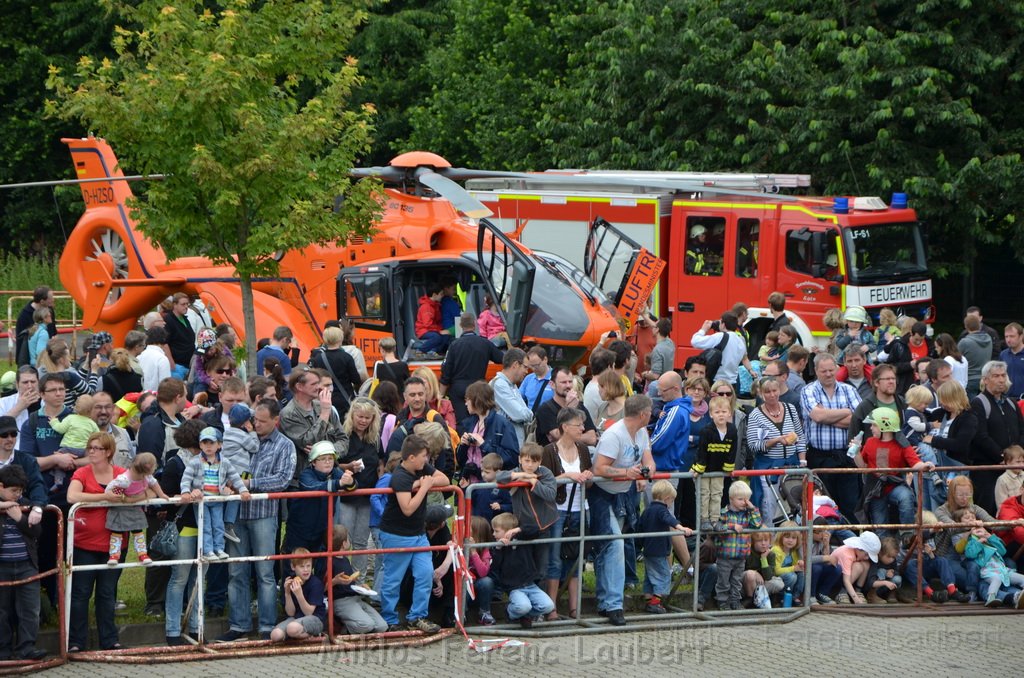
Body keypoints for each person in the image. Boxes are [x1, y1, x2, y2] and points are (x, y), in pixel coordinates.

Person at [218, 399, 296, 643]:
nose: (257, 425)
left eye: (262, 421)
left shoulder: (285, 445)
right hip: (236, 514)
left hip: (263, 514)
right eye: (255, 420)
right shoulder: (237, 437)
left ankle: (266, 625)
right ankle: (238, 626)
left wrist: (248, 484)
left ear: (276, 421)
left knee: (265, 572)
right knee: (236, 571)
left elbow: (282, 479)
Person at [591, 394, 656, 626]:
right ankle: (614, 604)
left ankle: (605, 601)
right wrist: (625, 473)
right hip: (602, 494)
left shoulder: (641, 433)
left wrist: (647, 471)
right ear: (643, 414)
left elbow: (649, 459)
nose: (651, 414)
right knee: (614, 545)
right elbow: (599, 468)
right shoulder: (614, 435)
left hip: (624, 493)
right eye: (650, 411)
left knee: (611, 547)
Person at [377, 434, 448, 634]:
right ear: (411, 458)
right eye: (424, 456)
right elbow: (407, 508)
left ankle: (417, 616)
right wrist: (423, 488)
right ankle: (389, 619)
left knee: (425, 573)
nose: (427, 460)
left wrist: (421, 484)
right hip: (396, 534)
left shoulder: (421, 468)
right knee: (393, 579)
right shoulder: (399, 476)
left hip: (418, 534)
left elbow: (444, 478)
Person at [66, 432, 127, 652]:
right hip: (84, 544)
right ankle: (75, 641)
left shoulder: (121, 473)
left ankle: (109, 640)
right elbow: (72, 497)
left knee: (107, 593)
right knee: (80, 594)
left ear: (108, 452)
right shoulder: (82, 472)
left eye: (96, 448)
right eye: (89, 447)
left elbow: (143, 491)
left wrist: (124, 498)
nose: (91, 451)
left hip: (115, 543)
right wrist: (105, 498)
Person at [540, 408, 592, 617]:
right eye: (578, 424)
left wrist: (587, 476)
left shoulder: (583, 449)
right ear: (564, 427)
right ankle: (551, 607)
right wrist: (567, 475)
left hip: (581, 508)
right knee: (554, 557)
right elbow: (545, 479)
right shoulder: (549, 451)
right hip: (558, 510)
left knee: (577, 557)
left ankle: (574, 607)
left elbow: (589, 480)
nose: (582, 428)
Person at [852, 408, 932, 538]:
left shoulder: (902, 443)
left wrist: (925, 465)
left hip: (894, 485)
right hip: (875, 489)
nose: (871, 428)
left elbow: (915, 462)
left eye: (874, 425)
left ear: (884, 426)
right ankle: (884, 553)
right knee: (880, 527)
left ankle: (907, 535)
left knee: (906, 497)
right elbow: (862, 465)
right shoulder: (870, 442)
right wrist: (856, 452)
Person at [801, 353, 862, 522]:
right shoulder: (808, 390)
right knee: (823, 506)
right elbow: (818, 416)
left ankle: (850, 541)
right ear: (815, 371)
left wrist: (826, 417)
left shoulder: (849, 390)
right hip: (820, 458)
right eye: (823, 371)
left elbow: (858, 420)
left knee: (850, 504)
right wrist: (846, 411)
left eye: (831, 370)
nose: (828, 374)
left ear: (836, 368)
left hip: (847, 456)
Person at [495, 442, 558, 605]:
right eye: (527, 461)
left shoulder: (546, 473)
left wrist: (534, 483)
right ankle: (524, 604)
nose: (530, 465)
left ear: (540, 462)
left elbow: (550, 494)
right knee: (525, 567)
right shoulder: (516, 471)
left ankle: (540, 606)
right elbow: (499, 477)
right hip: (522, 528)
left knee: (542, 568)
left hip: (543, 526)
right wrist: (519, 477)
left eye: (534, 461)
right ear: (520, 460)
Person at [181, 427, 250, 560]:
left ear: (219, 445)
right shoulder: (195, 462)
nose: (208, 446)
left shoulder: (225, 462)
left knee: (218, 525)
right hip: (202, 500)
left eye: (212, 443)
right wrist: (185, 491)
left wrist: (243, 490)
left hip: (217, 499)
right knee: (205, 525)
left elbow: (235, 477)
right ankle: (208, 550)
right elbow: (186, 478)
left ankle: (219, 548)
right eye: (204, 443)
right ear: (200, 444)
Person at [0, 465, 46, 661]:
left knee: (29, 609)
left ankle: (26, 648)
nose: (17, 496)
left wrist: (20, 518)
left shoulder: (24, 504)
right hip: (2, 566)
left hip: (27, 564)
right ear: (1, 487)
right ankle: (3, 650)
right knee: (2, 611)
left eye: (20, 491)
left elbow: (37, 532)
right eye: (13, 491)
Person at [746, 376, 806, 523]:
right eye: (767, 392)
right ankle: (769, 538)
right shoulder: (755, 414)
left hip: (791, 465)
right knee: (768, 505)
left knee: (793, 504)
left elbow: (800, 436)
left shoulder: (790, 409)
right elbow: (753, 445)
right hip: (768, 466)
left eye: (774, 390)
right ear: (761, 393)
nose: (772, 395)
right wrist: (776, 440)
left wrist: (802, 460)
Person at [970, 360, 1024, 515]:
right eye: (996, 376)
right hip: (987, 469)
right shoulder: (978, 403)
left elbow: (1022, 431)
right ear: (985, 379)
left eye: (1003, 375)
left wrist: (1017, 457)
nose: (1001, 379)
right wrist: (1003, 457)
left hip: (1014, 469)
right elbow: (980, 436)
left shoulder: (1011, 403)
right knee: (988, 511)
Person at [488, 511, 555, 628]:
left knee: (548, 606)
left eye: (496, 531)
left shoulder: (522, 536)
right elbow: (494, 567)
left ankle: (525, 616)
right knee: (523, 606)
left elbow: (537, 529)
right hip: (514, 587)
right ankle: (510, 612)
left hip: (530, 584)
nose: (493, 534)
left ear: (508, 530)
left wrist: (517, 530)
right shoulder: (496, 547)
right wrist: (498, 548)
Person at [280, 367, 348, 479]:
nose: (319, 387)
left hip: (331, 475)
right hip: (303, 480)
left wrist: (328, 451)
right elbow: (308, 441)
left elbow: (344, 440)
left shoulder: (323, 405)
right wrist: (325, 413)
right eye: (314, 384)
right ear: (299, 387)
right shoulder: (289, 414)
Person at [339, 397, 382, 573]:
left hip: (367, 495)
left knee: (361, 542)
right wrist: (348, 467)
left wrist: (381, 477)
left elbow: (380, 461)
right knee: (343, 540)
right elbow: (333, 463)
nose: (363, 421)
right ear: (352, 415)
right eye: (360, 417)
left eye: (367, 417)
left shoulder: (375, 439)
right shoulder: (343, 435)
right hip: (346, 496)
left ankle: (359, 580)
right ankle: (342, 579)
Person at [934, 476, 994, 603]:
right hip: (950, 555)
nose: (964, 498)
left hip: (974, 554)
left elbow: (993, 522)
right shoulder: (941, 511)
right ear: (951, 494)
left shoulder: (974, 508)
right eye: (960, 494)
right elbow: (952, 528)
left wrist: (1014, 522)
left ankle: (995, 593)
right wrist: (973, 525)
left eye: (967, 494)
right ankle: (993, 593)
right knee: (970, 578)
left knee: (1009, 564)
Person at [104, 452, 167, 565]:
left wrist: (161, 494)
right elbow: (109, 489)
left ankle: (142, 554)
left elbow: (154, 483)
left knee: (138, 531)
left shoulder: (146, 477)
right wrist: (119, 497)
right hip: (120, 508)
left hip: (134, 508)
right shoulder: (124, 480)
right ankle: (114, 555)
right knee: (117, 531)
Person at [440, 312, 503, 425]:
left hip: (458, 390)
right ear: (475, 324)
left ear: (460, 325)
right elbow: (502, 358)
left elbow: (446, 372)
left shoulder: (454, 345)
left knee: (462, 423)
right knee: (481, 421)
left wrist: (440, 395)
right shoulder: (485, 344)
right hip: (479, 389)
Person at [639, 480, 692, 614]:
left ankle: (648, 600)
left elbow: (640, 527)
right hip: (659, 551)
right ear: (667, 499)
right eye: (672, 500)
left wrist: (639, 546)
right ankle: (655, 603)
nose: (671, 504)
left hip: (648, 551)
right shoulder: (662, 510)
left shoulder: (647, 510)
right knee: (663, 576)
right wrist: (682, 528)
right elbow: (670, 520)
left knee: (649, 577)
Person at [956, 508, 1024, 608]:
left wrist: (989, 537)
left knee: (1019, 578)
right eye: (967, 518)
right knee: (995, 581)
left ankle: (1018, 596)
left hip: (1002, 570)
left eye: (973, 517)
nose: (971, 519)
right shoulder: (968, 539)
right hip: (988, 571)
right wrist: (978, 542)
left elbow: (1002, 551)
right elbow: (969, 554)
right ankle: (993, 598)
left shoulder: (989, 536)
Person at [326, 524, 387, 634]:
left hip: (354, 597)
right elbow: (322, 588)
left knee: (382, 626)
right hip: (341, 601)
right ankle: (343, 628)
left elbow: (350, 584)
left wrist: (361, 587)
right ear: (344, 543)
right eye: (348, 539)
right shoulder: (329, 561)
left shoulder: (345, 560)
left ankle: (356, 625)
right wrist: (335, 581)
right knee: (367, 625)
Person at [714, 481, 762, 610]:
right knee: (723, 581)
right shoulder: (724, 513)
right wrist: (732, 527)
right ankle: (723, 602)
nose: (744, 502)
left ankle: (735, 601)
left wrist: (752, 508)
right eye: (740, 499)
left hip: (741, 556)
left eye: (747, 499)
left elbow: (757, 524)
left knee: (736, 581)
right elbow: (717, 527)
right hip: (725, 555)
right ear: (731, 499)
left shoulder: (748, 514)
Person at [691, 396, 738, 529]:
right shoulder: (706, 431)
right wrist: (699, 468)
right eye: (717, 412)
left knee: (717, 493)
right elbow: (702, 451)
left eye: (724, 412)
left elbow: (733, 450)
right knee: (704, 494)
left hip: (719, 469)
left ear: (729, 413)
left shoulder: (732, 430)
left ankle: (715, 519)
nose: (721, 415)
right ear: (711, 414)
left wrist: (729, 467)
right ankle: (704, 519)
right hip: (705, 469)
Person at [457, 380, 519, 477]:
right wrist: (463, 445)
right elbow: (460, 460)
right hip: (468, 483)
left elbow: (512, 459)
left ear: (476, 400)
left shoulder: (503, 424)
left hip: (490, 485)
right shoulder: (468, 423)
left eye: (467, 399)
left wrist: (483, 445)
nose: (465, 404)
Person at [270, 548, 328, 641]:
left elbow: (309, 612)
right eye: (302, 566)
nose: (306, 570)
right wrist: (287, 593)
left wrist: (299, 594)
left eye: (308, 566)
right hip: (296, 618)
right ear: (293, 567)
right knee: (275, 635)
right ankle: (297, 635)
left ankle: (313, 636)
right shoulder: (292, 581)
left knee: (292, 628)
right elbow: (290, 612)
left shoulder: (316, 583)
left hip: (315, 619)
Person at [535, 367, 599, 448]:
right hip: (553, 458)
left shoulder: (579, 406)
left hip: (577, 457)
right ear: (552, 385)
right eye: (563, 382)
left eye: (570, 381)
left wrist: (567, 437)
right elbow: (557, 436)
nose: (568, 385)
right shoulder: (545, 409)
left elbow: (592, 438)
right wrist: (569, 410)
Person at [384, 376, 450, 454]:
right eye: (412, 395)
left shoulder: (434, 417)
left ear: (425, 394)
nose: (417, 398)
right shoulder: (400, 416)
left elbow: (447, 450)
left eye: (420, 394)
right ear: (405, 396)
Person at [307, 326, 362, 419]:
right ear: (340, 339)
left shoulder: (318, 358)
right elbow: (356, 379)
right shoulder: (347, 357)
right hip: (346, 398)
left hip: (325, 397)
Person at [690, 313, 756, 386]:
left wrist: (703, 329)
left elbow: (695, 342)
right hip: (732, 383)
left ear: (723, 324)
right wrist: (751, 370)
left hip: (717, 382)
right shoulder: (741, 340)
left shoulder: (720, 336)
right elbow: (745, 358)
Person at [650, 371, 692, 482]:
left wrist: (643, 447)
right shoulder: (672, 408)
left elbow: (660, 442)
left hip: (663, 471)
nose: (659, 393)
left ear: (676, 388)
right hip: (664, 469)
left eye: (663, 390)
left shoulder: (676, 411)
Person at [37, 338, 100, 408]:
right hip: (69, 415)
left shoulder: (48, 376)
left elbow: (77, 381)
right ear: (61, 360)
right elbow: (91, 392)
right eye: (68, 356)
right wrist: (94, 371)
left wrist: (86, 365)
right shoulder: (69, 376)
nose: (70, 359)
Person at [490, 349, 533, 447]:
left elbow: (525, 415)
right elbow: (520, 415)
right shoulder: (499, 385)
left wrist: (523, 414)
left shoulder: (512, 385)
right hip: (504, 447)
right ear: (516, 364)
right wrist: (524, 414)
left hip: (514, 445)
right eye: (525, 367)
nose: (527, 372)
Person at [827, 531, 881, 605]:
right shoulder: (846, 555)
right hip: (834, 580)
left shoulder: (857, 553)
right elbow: (846, 580)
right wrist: (856, 600)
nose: (867, 558)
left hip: (845, 578)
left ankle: (858, 591)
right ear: (859, 548)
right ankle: (841, 593)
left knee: (865, 564)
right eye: (866, 555)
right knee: (858, 567)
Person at [49, 395, 100, 470]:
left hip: (67, 448)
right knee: (85, 464)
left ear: (76, 407)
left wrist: (53, 421)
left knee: (58, 457)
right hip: (83, 450)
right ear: (92, 410)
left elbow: (60, 429)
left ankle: (58, 478)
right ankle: (79, 474)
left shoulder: (70, 418)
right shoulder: (92, 424)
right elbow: (97, 437)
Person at [466, 516, 496, 625]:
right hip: (464, 583)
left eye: (468, 528)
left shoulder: (484, 550)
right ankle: (461, 614)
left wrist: (473, 551)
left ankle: (484, 613)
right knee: (463, 585)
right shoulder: (460, 544)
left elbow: (483, 572)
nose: (464, 529)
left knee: (487, 581)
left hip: (477, 584)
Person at [0, 367, 40, 451]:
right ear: (17, 385)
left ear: (38, 383)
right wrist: (19, 407)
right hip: (13, 453)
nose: (30, 386)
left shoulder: (46, 402)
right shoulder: (3, 403)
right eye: (25, 382)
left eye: (33, 382)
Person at [162, 293, 197, 379]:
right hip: (177, 365)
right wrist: (171, 362)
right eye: (183, 304)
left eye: (187, 304)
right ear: (175, 305)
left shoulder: (185, 318)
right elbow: (165, 343)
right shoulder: (169, 320)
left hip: (188, 363)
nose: (186, 307)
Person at [744, 531, 782, 608]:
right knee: (750, 574)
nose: (763, 543)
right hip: (747, 583)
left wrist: (764, 558)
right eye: (759, 541)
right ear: (753, 542)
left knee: (779, 583)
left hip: (762, 582)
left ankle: (766, 599)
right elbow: (742, 571)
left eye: (766, 540)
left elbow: (768, 576)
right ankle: (750, 600)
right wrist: (755, 573)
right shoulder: (747, 552)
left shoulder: (771, 554)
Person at [770, 522, 806, 605]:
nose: (790, 540)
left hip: (788, 577)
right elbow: (776, 571)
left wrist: (799, 564)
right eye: (787, 537)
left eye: (794, 538)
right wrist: (794, 568)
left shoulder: (793, 551)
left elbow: (795, 564)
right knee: (792, 576)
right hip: (775, 578)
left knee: (802, 572)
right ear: (780, 537)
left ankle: (794, 596)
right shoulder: (776, 550)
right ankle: (781, 597)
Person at [958, 314, 993, 397]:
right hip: (985, 378)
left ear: (966, 327)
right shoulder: (989, 339)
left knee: (971, 407)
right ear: (979, 325)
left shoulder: (964, 342)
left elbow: (956, 359)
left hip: (970, 379)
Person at [414, 283, 449, 357]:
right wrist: (439, 331)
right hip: (423, 330)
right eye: (441, 294)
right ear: (434, 295)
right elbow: (428, 324)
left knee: (446, 336)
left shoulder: (435, 305)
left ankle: (433, 351)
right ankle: (420, 350)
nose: (442, 296)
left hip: (430, 329)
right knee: (436, 337)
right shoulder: (426, 307)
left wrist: (442, 330)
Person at [518, 346, 555, 416]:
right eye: (531, 366)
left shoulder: (556, 377)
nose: (534, 369)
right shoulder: (528, 379)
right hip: (532, 422)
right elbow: (518, 398)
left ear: (545, 359)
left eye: (537, 365)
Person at [138, 326, 173, 392]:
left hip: (139, 397)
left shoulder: (139, 356)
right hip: (155, 398)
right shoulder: (162, 359)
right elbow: (165, 386)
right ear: (163, 338)